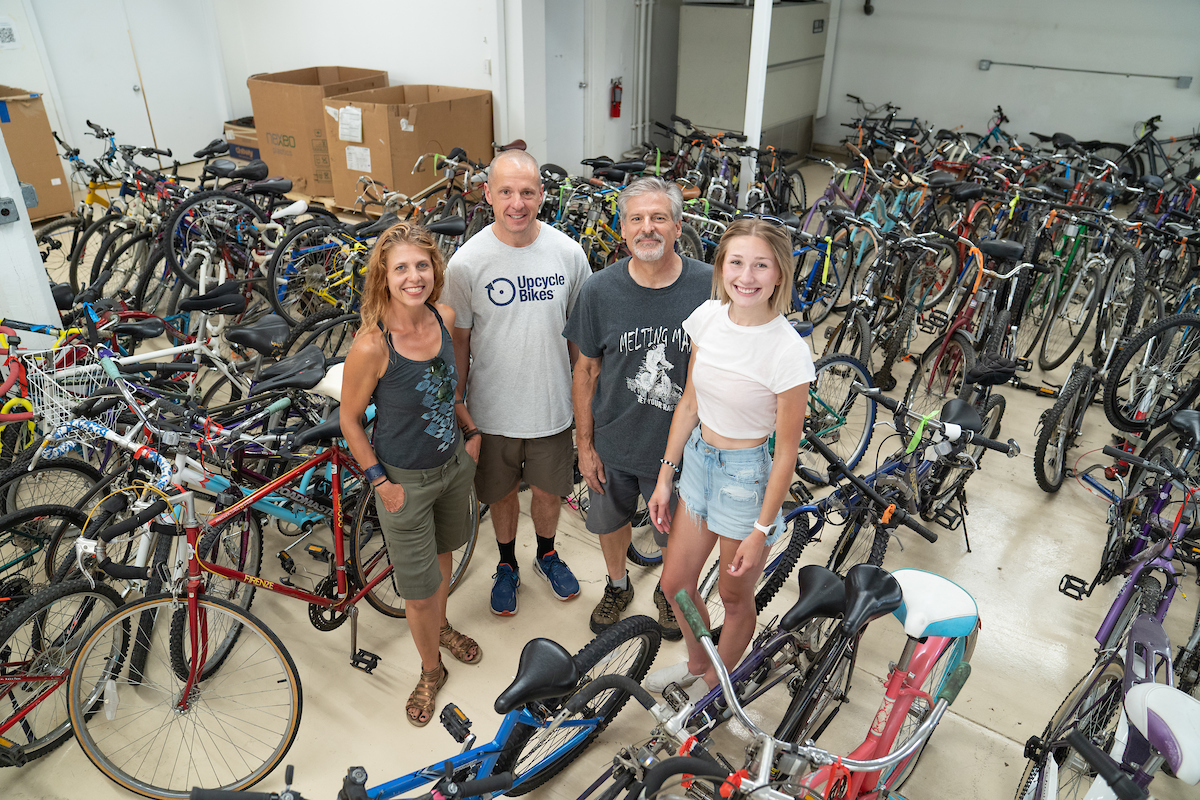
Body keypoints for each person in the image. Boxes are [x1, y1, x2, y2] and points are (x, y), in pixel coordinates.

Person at [644, 217, 815, 698]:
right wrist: (665, 475)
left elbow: (785, 454)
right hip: (698, 462)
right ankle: (700, 660)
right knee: (677, 584)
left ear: (779, 273)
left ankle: (721, 687)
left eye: (761, 265)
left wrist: (761, 532)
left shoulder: (787, 352)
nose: (747, 276)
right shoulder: (708, 318)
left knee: (733, 596)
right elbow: (690, 403)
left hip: (746, 478)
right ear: (722, 267)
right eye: (737, 262)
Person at [340, 222, 482, 727]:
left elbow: (450, 387)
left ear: (434, 270)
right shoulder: (372, 345)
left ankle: (441, 625)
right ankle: (430, 669)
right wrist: (381, 482)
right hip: (404, 482)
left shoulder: (442, 317)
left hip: (452, 467)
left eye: (422, 265)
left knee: (442, 554)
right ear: (384, 275)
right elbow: (350, 421)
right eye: (401, 267)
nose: (413, 276)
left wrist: (470, 430)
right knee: (417, 590)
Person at [444, 149, 591, 616]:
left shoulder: (568, 254)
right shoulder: (467, 264)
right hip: (492, 412)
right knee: (502, 494)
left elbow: (580, 339)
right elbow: (460, 342)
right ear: (487, 194)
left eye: (527, 192)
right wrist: (459, 407)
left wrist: (583, 400)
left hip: (551, 407)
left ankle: (545, 553)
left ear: (542, 196)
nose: (517, 202)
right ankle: (506, 563)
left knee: (550, 493)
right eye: (505, 191)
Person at [563, 177, 711, 637]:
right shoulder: (599, 291)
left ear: (678, 226)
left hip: (683, 449)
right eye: (637, 220)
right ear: (623, 231)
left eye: (658, 218)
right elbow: (585, 372)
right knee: (611, 524)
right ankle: (617, 584)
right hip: (614, 445)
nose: (648, 228)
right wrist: (584, 446)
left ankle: (670, 592)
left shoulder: (710, 286)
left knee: (676, 538)